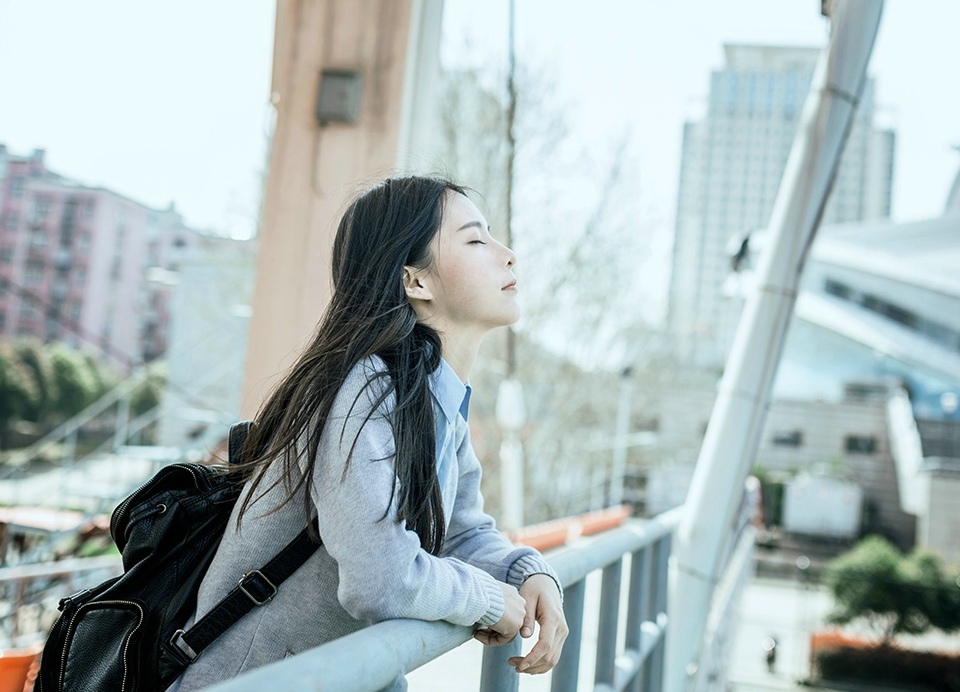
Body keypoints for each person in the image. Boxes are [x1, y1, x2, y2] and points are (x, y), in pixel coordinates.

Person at [172, 176, 568, 690]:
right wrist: (490, 599)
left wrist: (525, 574)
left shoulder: (432, 402)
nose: (508, 254)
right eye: (476, 240)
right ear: (416, 281)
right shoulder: (366, 390)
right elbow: (380, 578)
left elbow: (461, 533)